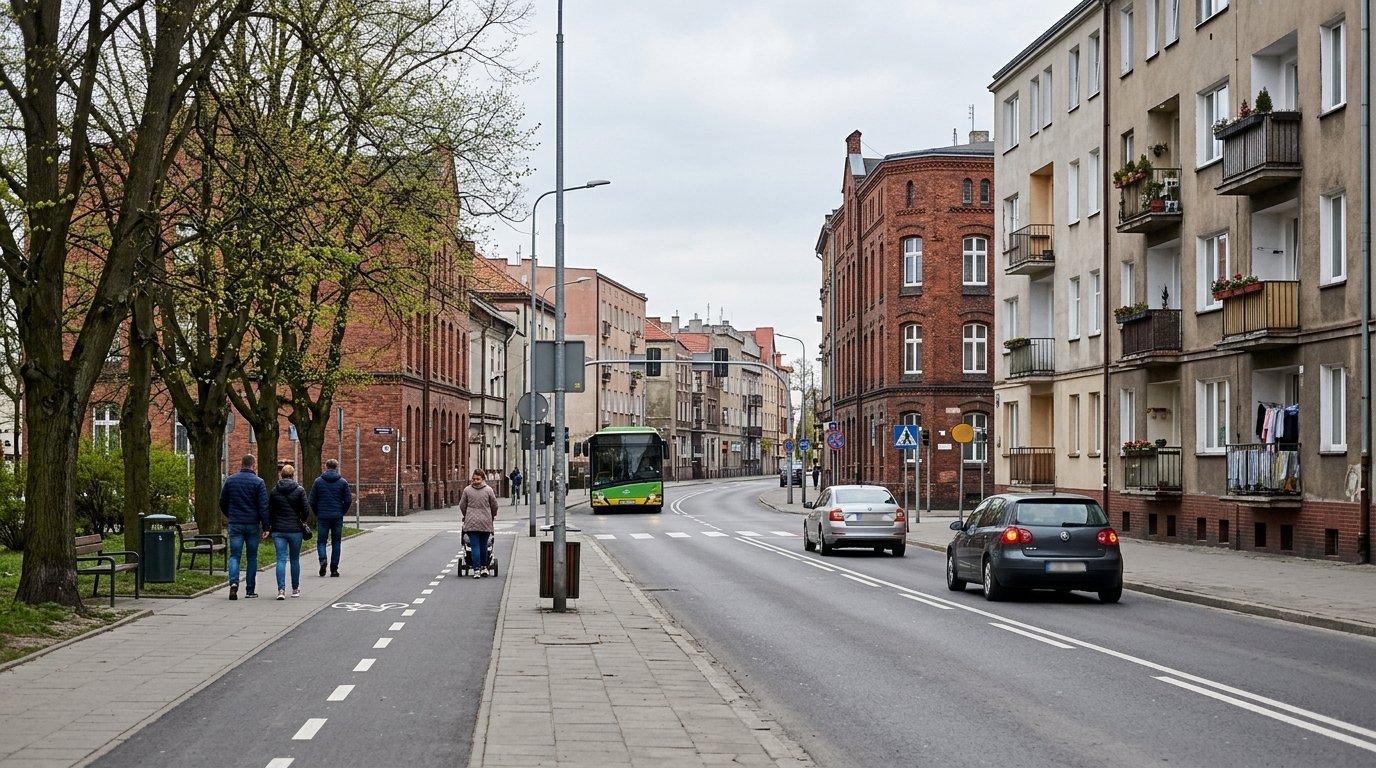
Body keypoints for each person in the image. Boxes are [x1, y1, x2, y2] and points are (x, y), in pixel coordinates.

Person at [219, 454, 269, 600]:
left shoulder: (230, 480)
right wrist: (266, 526)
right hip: (252, 524)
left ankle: (233, 583)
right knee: (252, 557)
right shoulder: (259, 482)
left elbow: (222, 501)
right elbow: (263, 506)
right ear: (253, 465)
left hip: (235, 523)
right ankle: (250, 590)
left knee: (234, 555)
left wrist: (230, 515)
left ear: (242, 464)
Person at [268, 464, 313, 600]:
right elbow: (306, 509)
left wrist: (271, 524)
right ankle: (295, 589)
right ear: (293, 475)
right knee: (294, 559)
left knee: (281, 559)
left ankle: (281, 590)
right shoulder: (299, 490)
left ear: (281, 475)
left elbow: (270, 510)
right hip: (295, 530)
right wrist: (302, 520)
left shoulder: (275, 490)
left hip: (278, 530)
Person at [309, 458, 352, 577]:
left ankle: (323, 560)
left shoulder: (318, 482)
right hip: (337, 515)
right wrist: (341, 511)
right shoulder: (342, 482)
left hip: (322, 515)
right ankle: (334, 569)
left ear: (326, 467)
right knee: (336, 542)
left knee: (321, 541)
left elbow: (311, 500)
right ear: (336, 467)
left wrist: (317, 512)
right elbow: (348, 500)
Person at [460, 469, 498, 578]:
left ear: (482, 479)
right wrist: (492, 515)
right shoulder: (489, 490)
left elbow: (462, 505)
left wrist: (466, 515)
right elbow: (494, 505)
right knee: (484, 545)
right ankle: (484, 567)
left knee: (474, 546)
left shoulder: (467, 490)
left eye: (477, 479)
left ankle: (476, 570)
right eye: (474, 479)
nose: (475, 481)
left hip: (471, 522)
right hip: (485, 522)